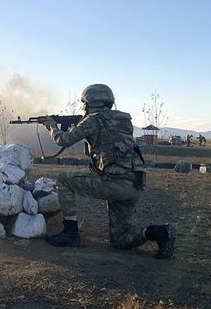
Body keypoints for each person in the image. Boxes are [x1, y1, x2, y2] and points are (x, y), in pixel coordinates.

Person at [40, 84, 176, 259]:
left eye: (85, 104)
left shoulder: (93, 120)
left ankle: (70, 233)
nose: (84, 107)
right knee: (120, 239)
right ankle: (158, 232)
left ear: (89, 102)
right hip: (135, 184)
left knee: (64, 179)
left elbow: (63, 140)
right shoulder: (124, 120)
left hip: (115, 183)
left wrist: (52, 126)